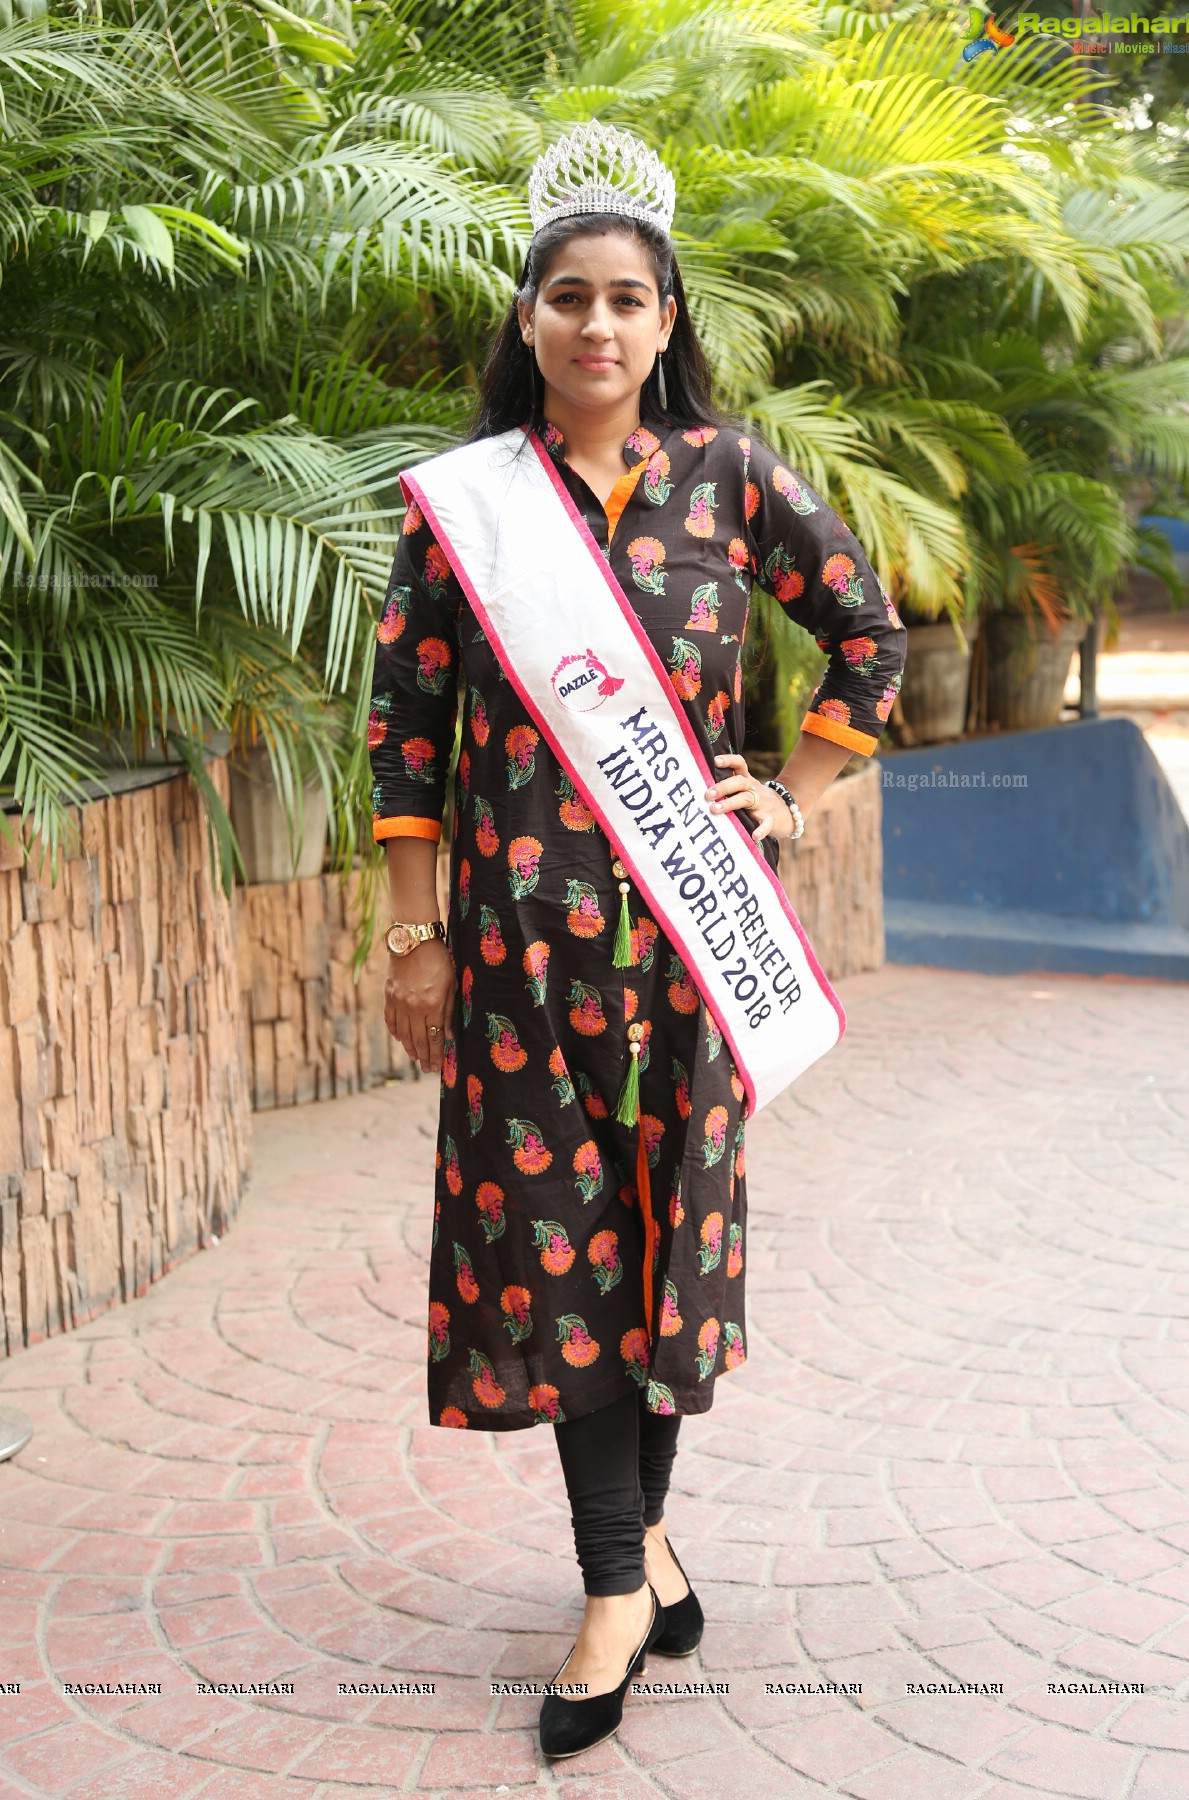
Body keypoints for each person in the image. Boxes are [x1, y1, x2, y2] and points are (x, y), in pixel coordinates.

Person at [368, 121, 906, 1760]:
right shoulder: (466, 512)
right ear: (526, 314)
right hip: (522, 955)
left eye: (628, 301)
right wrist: (411, 936)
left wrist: (793, 797)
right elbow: (403, 727)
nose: (598, 327)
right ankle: (622, 1579)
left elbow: (870, 638)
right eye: (568, 297)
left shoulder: (733, 480)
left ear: (667, 322)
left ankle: (628, 1566)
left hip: (687, 950)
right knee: (559, 1253)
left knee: (661, 1254)